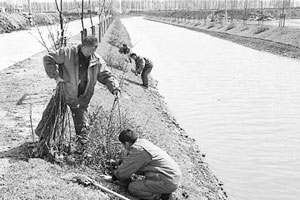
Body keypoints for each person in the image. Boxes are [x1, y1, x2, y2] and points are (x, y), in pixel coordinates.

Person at [35, 36, 120, 154]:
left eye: (93, 50)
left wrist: (114, 88)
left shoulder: (97, 60)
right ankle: (43, 142)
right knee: (50, 117)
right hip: (64, 93)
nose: (90, 53)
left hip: (82, 98)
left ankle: (82, 150)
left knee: (83, 126)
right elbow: (48, 58)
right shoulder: (67, 53)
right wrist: (56, 76)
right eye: (88, 50)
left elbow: (106, 76)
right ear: (82, 46)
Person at [103, 129, 182, 200]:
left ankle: (162, 196)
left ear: (126, 143)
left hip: (169, 180)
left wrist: (113, 178)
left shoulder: (139, 150)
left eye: (123, 145)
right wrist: (117, 162)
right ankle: (161, 188)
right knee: (138, 170)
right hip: (173, 176)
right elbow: (131, 161)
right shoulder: (142, 143)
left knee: (133, 188)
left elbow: (126, 169)